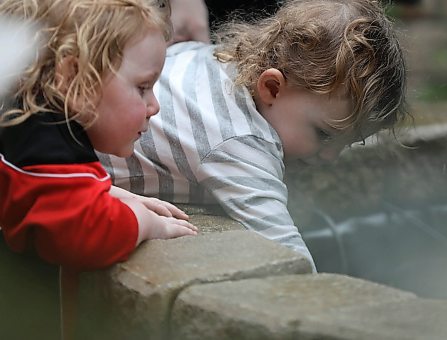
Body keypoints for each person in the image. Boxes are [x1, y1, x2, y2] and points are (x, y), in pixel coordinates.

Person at [100, 0, 408, 272]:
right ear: (272, 87)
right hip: (87, 169)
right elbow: (285, 251)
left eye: (349, 143)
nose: (331, 156)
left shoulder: (218, 60)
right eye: (324, 135)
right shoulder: (240, 142)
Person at [0, 0, 198, 271]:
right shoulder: (45, 144)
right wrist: (144, 221)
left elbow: (53, 191)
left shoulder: (26, 119)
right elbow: (78, 234)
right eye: (142, 87)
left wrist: (110, 194)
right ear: (72, 76)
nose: (154, 106)